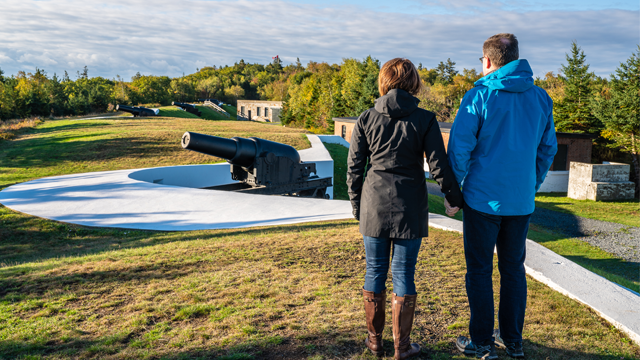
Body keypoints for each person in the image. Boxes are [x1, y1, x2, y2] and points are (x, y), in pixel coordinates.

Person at [447, 33, 557, 359]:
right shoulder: (540, 98)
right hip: (519, 202)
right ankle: (513, 342)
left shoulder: (478, 95)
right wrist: (531, 184)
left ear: (488, 62)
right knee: (513, 269)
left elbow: (459, 151)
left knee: (479, 270)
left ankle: (481, 342)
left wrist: (453, 192)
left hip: (482, 201)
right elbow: (548, 149)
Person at [347, 58, 464, 360]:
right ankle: (401, 347)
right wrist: (454, 197)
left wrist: (358, 206)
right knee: (403, 273)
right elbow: (439, 165)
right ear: (414, 83)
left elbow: (354, 168)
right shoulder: (425, 119)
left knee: (374, 271)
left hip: (374, 204)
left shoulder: (366, 118)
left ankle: (374, 343)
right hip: (409, 206)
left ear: (384, 81)